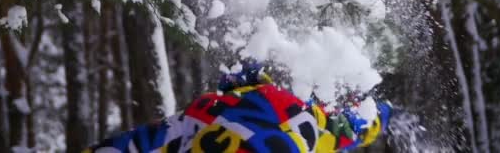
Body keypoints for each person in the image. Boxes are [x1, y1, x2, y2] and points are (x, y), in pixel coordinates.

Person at [85, 61, 391, 152]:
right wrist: (383, 115)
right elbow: (350, 127)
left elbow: (133, 145)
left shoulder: (202, 111)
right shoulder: (302, 115)